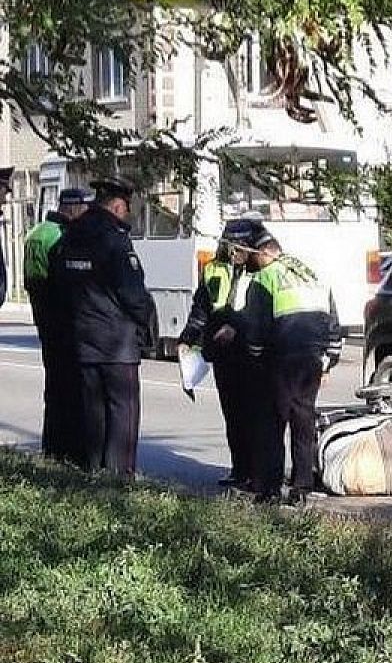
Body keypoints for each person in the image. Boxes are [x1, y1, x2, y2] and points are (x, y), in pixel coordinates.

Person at [49, 176, 155, 476]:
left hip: (82, 338)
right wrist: (146, 321)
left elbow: (58, 285)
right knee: (123, 409)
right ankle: (120, 475)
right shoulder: (114, 239)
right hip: (117, 343)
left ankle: (95, 470)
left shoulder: (69, 237)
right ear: (119, 206)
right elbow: (133, 293)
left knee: (93, 411)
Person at [242, 232, 341, 505]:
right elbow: (333, 320)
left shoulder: (265, 277)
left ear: (265, 253)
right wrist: (329, 360)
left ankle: (269, 489)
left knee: (272, 423)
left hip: (281, 357)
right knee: (303, 420)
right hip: (312, 358)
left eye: (253, 255)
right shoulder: (311, 274)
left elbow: (256, 327)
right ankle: (301, 487)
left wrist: (255, 358)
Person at [177, 218, 267, 489]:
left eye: (239, 246)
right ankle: (239, 469)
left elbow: (261, 314)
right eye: (229, 245)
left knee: (256, 414)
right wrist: (188, 338)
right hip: (223, 352)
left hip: (253, 352)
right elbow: (201, 308)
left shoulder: (262, 270)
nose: (233, 251)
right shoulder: (214, 269)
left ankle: (258, 472)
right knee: (233, 414)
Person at [24, 188, 90, 461]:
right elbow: (62, 283)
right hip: (62, 320)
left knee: (53, 388)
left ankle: (51, 449)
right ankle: (65, 451)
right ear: (73, 208)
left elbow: (33, 282)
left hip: (43, 317)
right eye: (85, 207)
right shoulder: (60, 236)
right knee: (68, 388)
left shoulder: (36, 233)